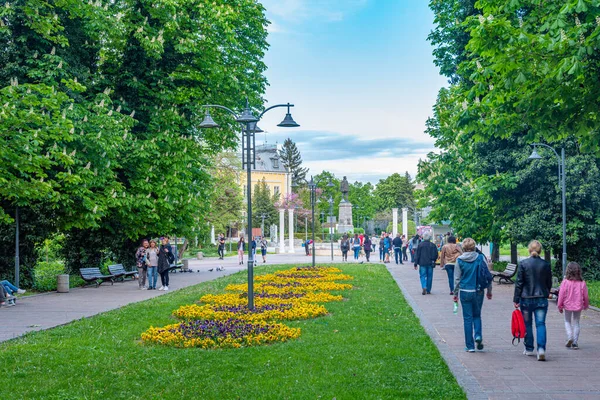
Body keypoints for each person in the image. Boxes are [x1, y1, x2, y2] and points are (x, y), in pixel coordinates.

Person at [513, 240, 553, 361]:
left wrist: (516, 298)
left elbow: (519, 282)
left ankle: (529, 348)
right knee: (541, 324)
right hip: (541, 298)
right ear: (540, 250)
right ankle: (541, 349)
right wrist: (546, 292)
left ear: (529, 250)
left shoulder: (524, 264)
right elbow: (549, 282)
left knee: (527, 324)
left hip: (526, 299)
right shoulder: (546, 264)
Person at [454, 238, 492, 352]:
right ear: (474, 246)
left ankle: (470, 346)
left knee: (467, 318)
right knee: (477, 315)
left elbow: (457, 279)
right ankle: (478, 336)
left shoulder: (459, 260)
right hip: (478, 291)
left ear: (463, 247)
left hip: (465, 291)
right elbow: (487, 275)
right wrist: (489, 291)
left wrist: (455, 294)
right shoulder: (480, 258)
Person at [557, 262, 589, 350]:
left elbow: (561, 295)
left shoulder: (565, 282)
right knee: (576, 322)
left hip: (567, 305)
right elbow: (585, 296)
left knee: (567, 321)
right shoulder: (582, 283)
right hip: (578, 305)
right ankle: (575, 342)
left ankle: (570, 336)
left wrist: (559, 306)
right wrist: (586, 305)